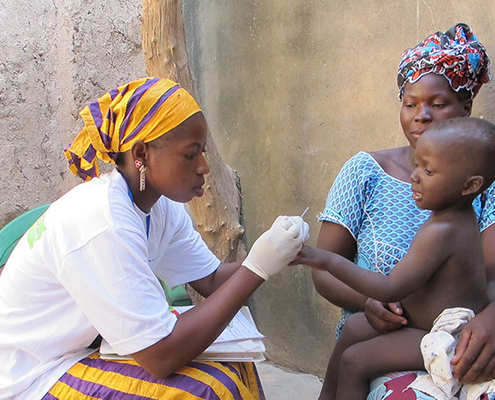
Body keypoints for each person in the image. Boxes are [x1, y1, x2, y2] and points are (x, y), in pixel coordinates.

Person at [0, 77, 309, 400]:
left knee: (235, 363)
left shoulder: (158, 207)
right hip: (32, 376)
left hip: (82, 350)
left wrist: (276, 253)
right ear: (142, 154)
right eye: (191, 155)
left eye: (202, 152)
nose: (204, 167)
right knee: (206, 391)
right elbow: (161, 356)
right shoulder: (104, 221)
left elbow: (213, 279)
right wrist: (257, 267)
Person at [311, 23, 495, 400]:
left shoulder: (472, 198)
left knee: (355, 361)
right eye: (410, 103)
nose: (420, 116)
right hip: (388, 322)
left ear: (467, 107)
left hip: (450, 334)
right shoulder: (365, 172)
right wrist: (364, 302)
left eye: (438, 104)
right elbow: (327, 274)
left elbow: (393, 284)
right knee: (354, 335)